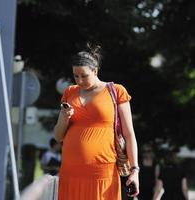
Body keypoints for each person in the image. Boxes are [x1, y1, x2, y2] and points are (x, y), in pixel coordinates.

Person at [54, 44, 139, 200]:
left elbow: (129, 134)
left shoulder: (116, 91)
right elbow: (58, 136)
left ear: (95, 71)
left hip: (102, 171)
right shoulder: (69, 92)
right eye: (76, 76)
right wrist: (65, 117)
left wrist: (135, 171)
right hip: (70, 172)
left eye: (84, 75)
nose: (79, 80)